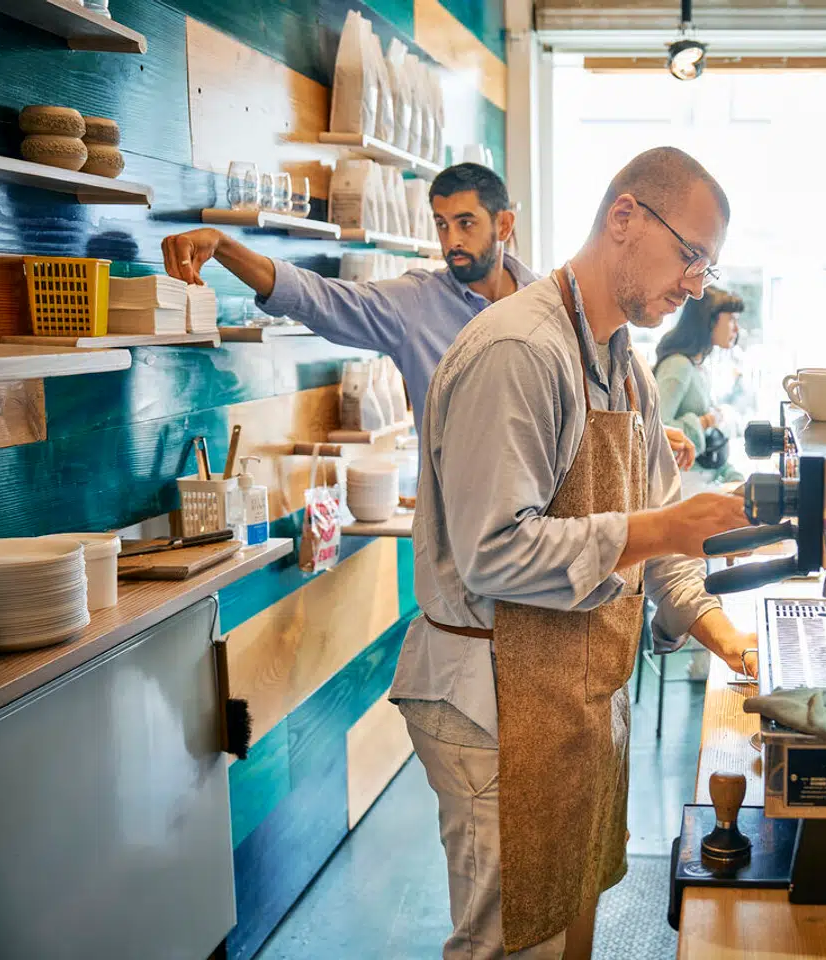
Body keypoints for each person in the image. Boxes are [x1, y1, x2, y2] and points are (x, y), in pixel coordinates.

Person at [391, 146, 757, 960]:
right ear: (624, 217)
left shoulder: (625, 364)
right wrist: (663, 528)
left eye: (707, 266)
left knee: (570, 916)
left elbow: (658, 526)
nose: (696, 284)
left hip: (570, 691)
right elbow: (494, 552)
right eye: (690, 256)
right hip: (493, 699)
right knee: (516, 939)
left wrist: (725, 635)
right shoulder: (521, 352)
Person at [160, 164, 534, 439]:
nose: (451, 239)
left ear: (503, 225)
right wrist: (225, 247)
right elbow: (319, 298)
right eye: (441, 223)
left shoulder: (547, 307)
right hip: (457, 534)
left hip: (542, 528)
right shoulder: (418, 303)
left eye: (465, 223)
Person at [653, 285, 745, 483]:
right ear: (710, 320)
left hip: (698, 477)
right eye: (732, 320)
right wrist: (706, 421)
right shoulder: (678, 365)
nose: (737, 329)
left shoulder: (698, 368)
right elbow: (656, 430)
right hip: (680, 483)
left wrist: (736, 479)